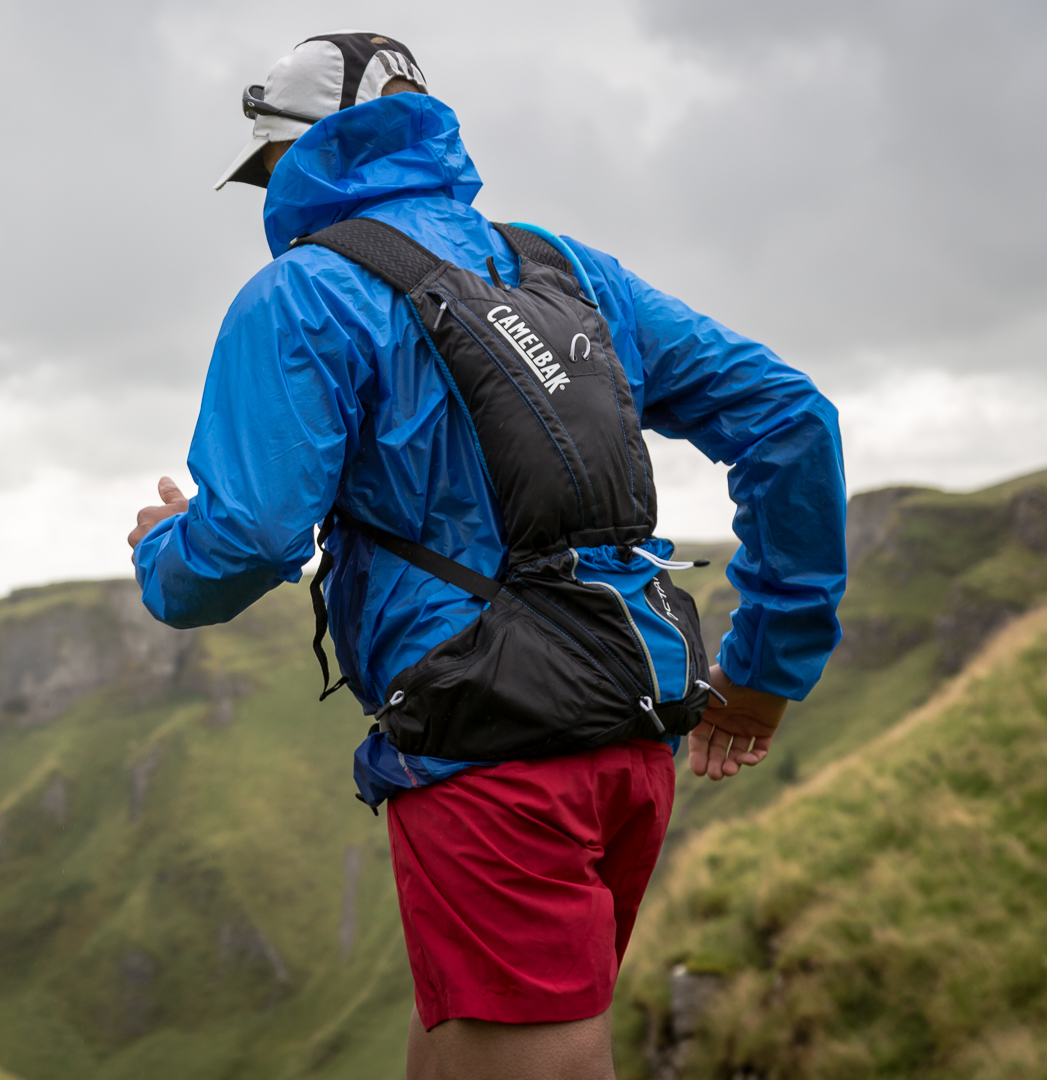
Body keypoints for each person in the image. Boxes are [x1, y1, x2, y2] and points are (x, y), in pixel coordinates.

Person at [127, 32, 846, 1080]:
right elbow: (790, 417)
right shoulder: (564, 268)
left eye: (266, 171)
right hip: (630, 736)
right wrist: (767, 674)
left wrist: (163, 554)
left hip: (491, 757)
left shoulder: (303, 297)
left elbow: (251, 536)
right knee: (464, 1049)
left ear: (295, 158)